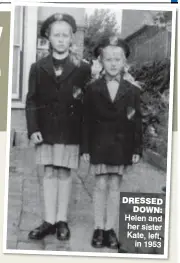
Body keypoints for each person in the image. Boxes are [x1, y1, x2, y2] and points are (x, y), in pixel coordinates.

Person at [26, 13, 91, 241]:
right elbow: (32, 99)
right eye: (57, 35)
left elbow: (86, 104)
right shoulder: (38, 67)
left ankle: (62, 219)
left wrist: (85, 138)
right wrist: (33, 127)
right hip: (45, 130)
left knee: (64, 172)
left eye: (66, 35)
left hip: (69, 131)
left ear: (71, 38)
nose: (61, 39)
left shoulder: (83, 68)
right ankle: (49, 220)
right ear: (48, 38)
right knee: (49, 172)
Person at [81, 36, 143, 249]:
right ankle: (98, 227)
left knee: (115, 186)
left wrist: (136, 148)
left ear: (124, 62)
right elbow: (86, 120)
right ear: (101, 61)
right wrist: (85, 147)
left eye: (118, 59)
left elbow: (137, 121)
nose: (114, 63)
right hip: (99, 144)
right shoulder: (92, 88)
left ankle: (110, 228)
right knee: (99, 185)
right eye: (108, 59)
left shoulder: (133, 90)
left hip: (120, 146)